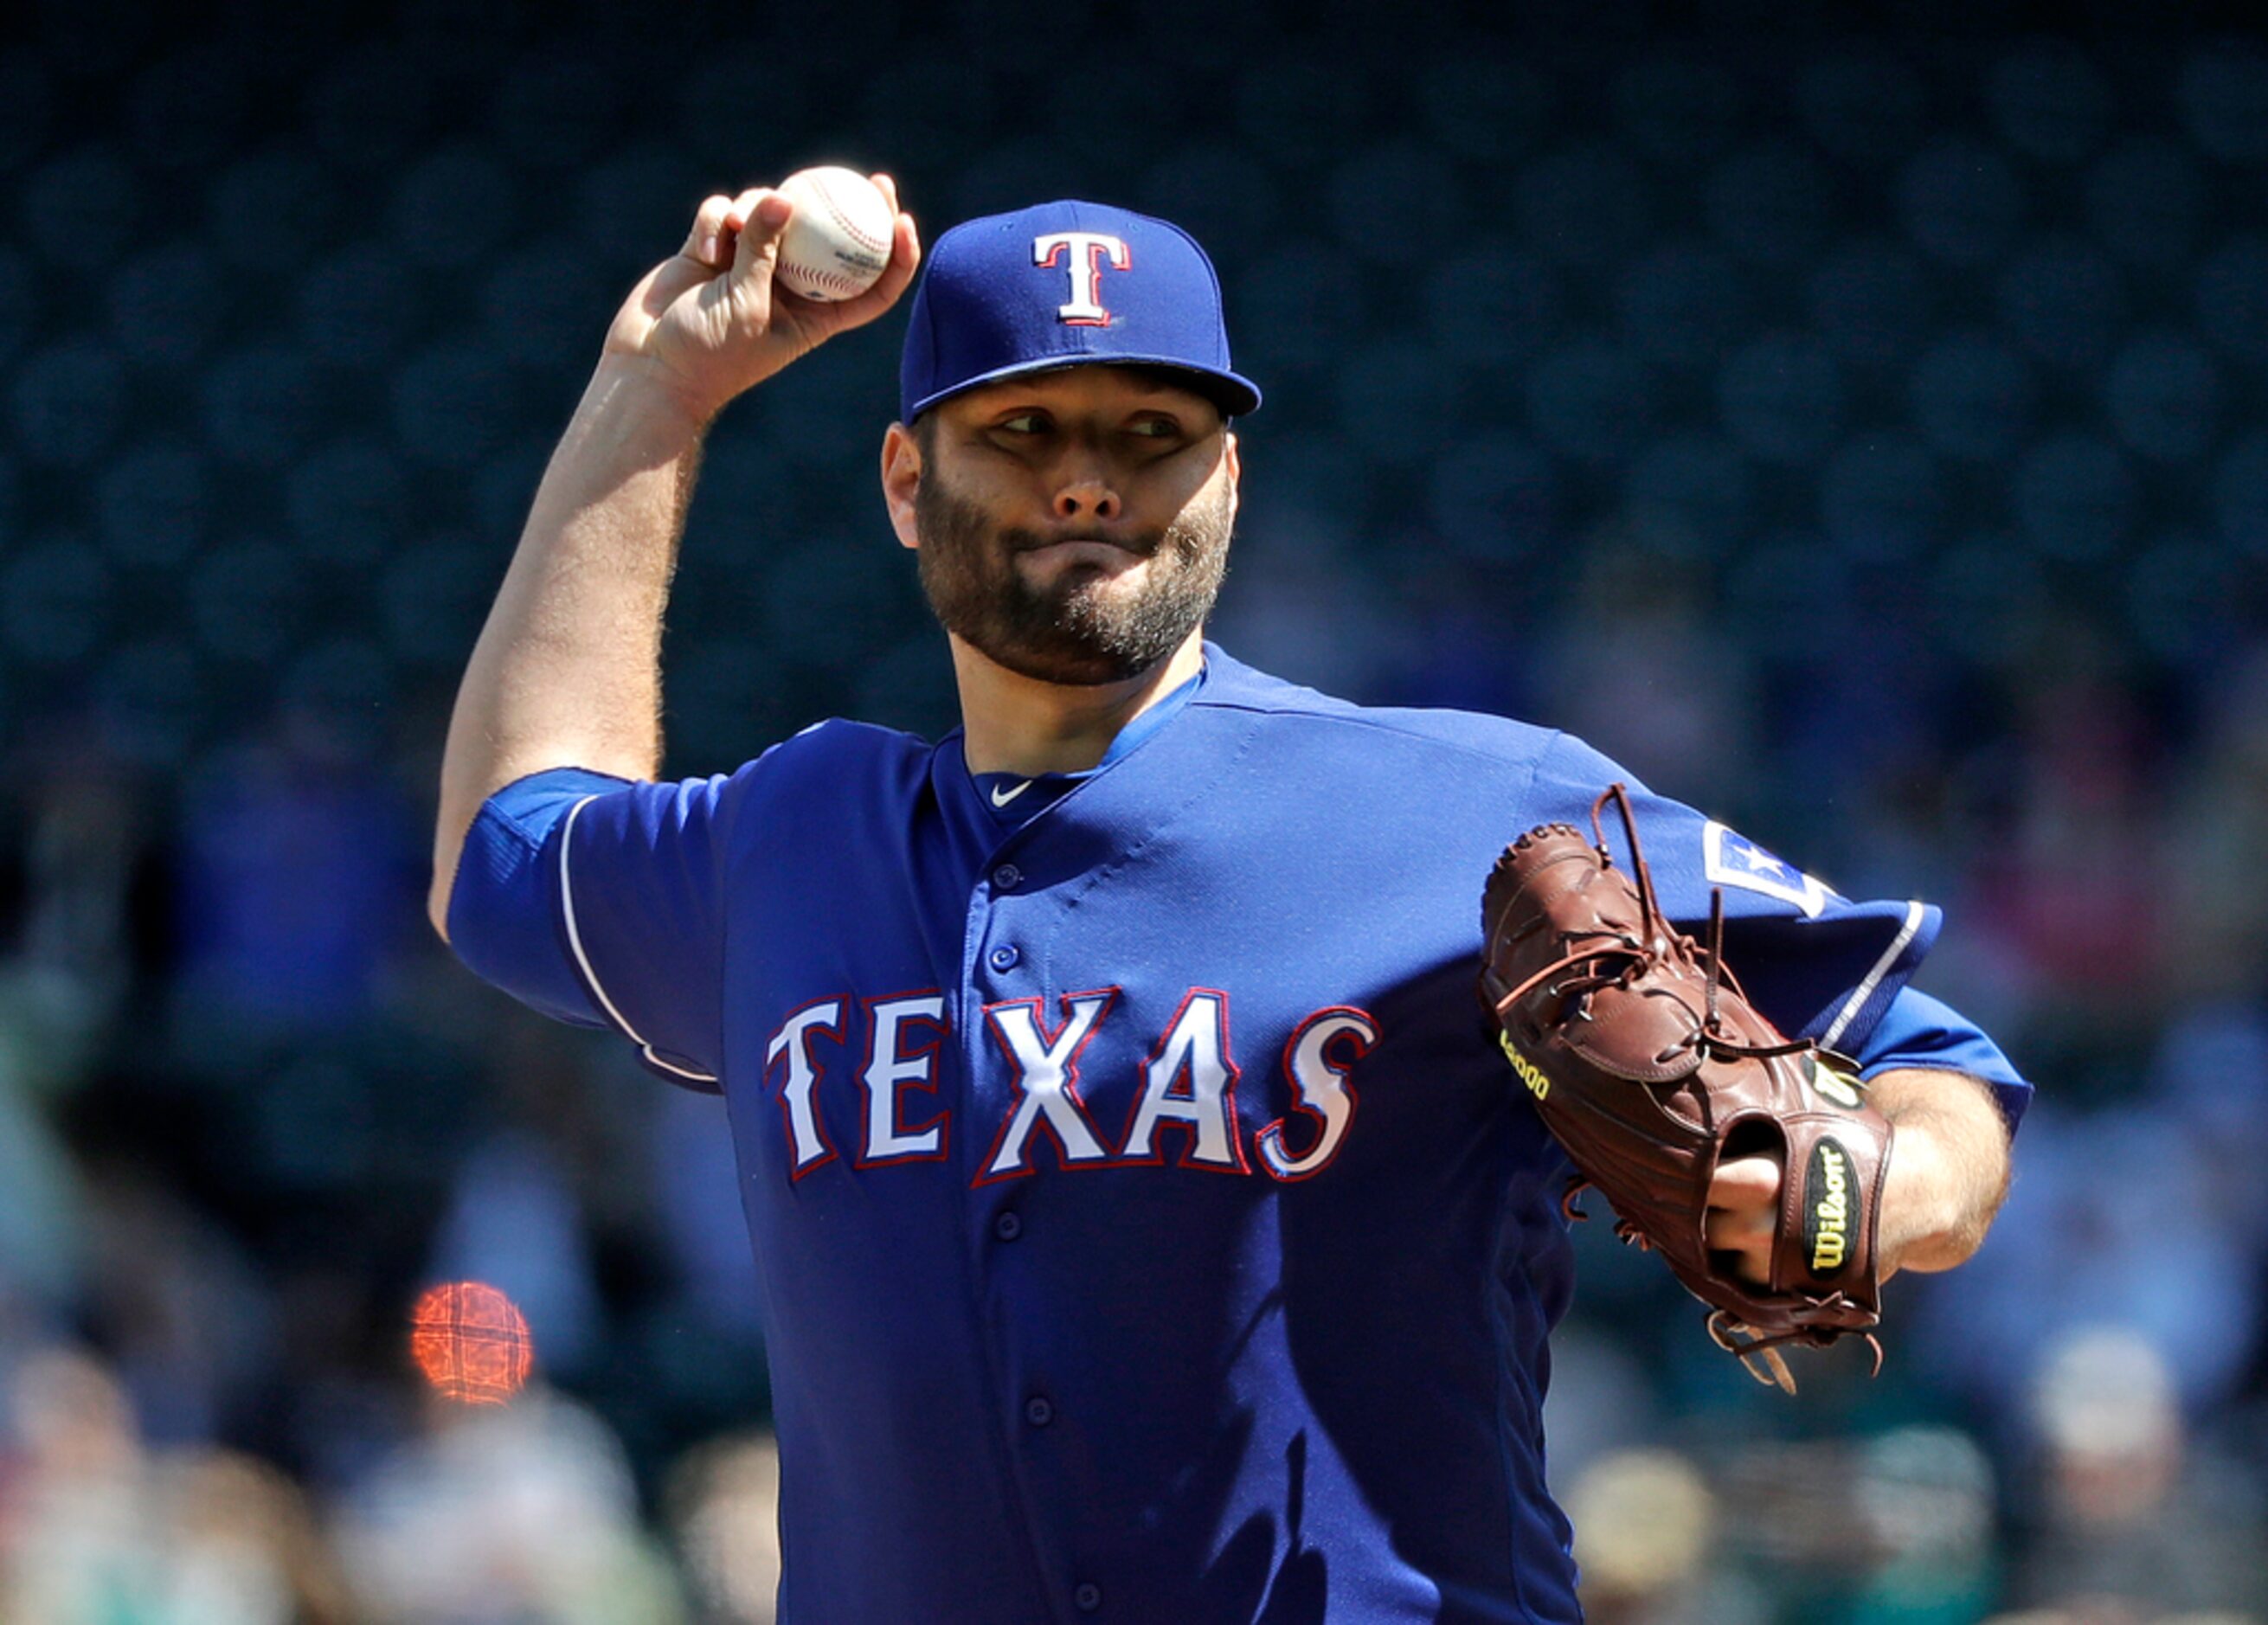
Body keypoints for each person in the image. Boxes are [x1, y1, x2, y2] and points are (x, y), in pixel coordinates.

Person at [429, 177, 2025, 1623]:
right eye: (1024, 430)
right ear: (905, 479)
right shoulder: (790, 835)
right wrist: (658, 385)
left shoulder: (1471, 804)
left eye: (1149, 434)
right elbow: (507, 854)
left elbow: (1933, 1058)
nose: (1087, 484)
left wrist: (1873, 1181)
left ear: (1229, 476)